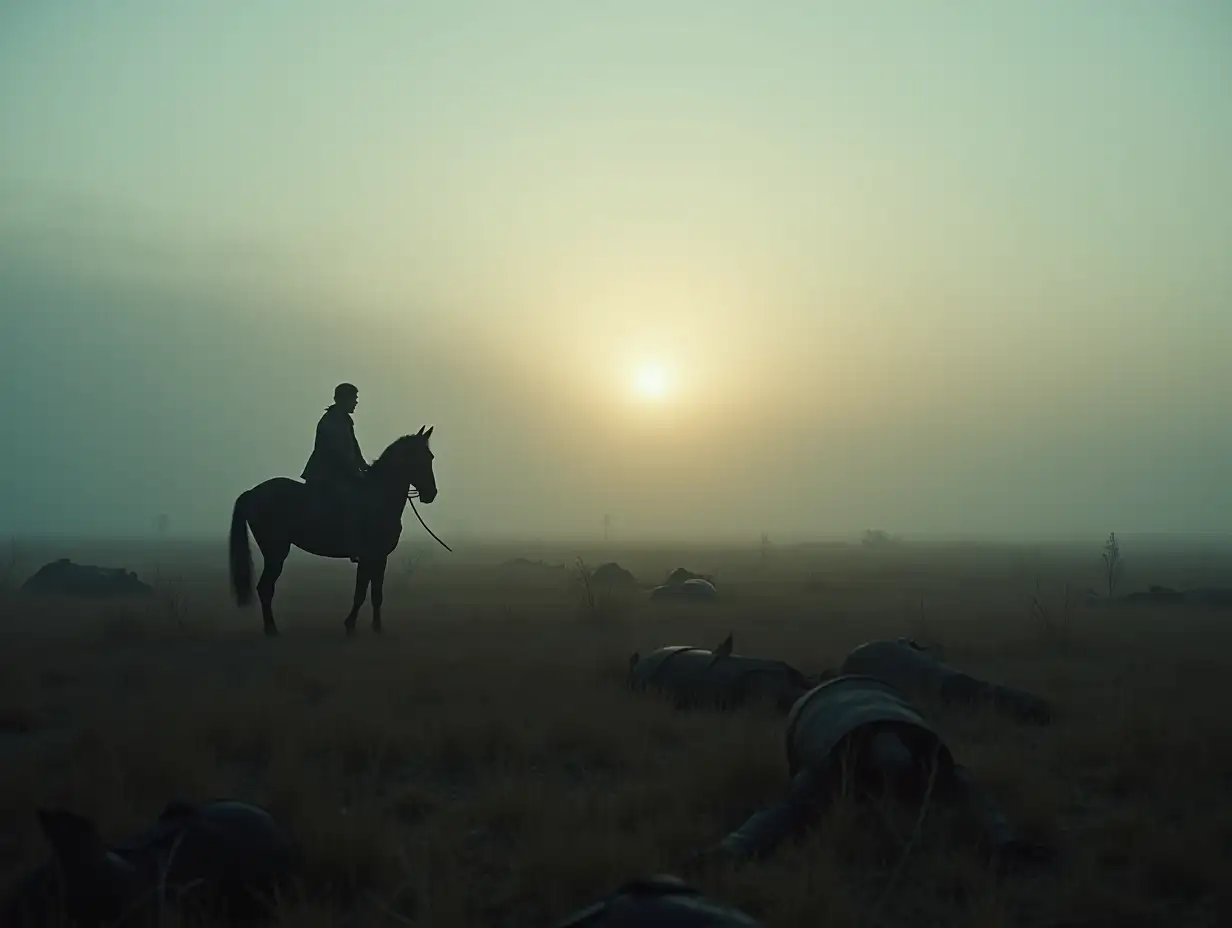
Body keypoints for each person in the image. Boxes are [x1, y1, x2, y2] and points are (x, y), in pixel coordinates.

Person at [301, 383, 371, 559]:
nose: (356, 402)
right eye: (353, 399)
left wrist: (364, 466)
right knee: (352, 499)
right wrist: (355, 472)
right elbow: (336, 454)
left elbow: (354, 448)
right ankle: (352, 543)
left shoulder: (345, 420)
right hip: (326, 474)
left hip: (341, 472)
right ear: (341, 400)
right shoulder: (330, 421)